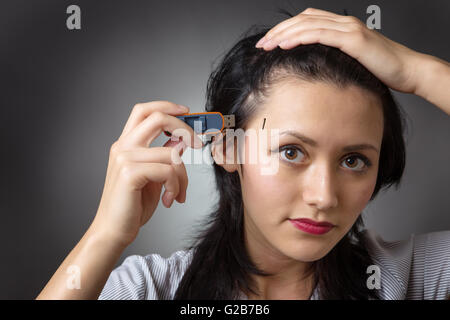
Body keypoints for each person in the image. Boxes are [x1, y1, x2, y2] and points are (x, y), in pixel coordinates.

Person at [36, 7, 450, 300]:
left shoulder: (410, 279)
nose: (324, 196)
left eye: (353, 160)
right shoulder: (152, 289)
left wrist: (420, 72)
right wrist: (106, 234)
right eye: (292, 151)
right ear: (227, 147)